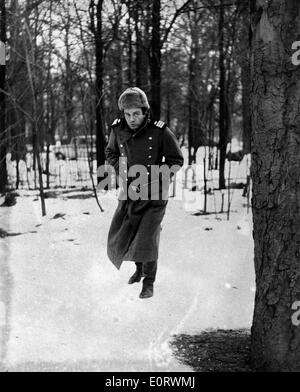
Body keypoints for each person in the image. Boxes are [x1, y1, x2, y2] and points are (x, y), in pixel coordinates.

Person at [105, 87, 184, 299]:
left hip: (155, 195)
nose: (131, 119)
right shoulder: (117, 130)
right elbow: (110, 152)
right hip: (130, 191)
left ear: (145, 111)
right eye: (128, 114)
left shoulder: (159, 132)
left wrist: (160, 176)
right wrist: (122, 171)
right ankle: (139, 270)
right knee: (129, 232)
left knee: (148, 237)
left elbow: (176, 160)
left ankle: (149, 283)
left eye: (136, 114)